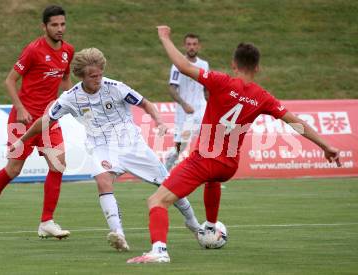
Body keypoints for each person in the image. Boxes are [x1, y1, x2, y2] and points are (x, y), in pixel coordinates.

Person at [126, 25, 341, 264]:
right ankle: (209, 226)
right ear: (258, 68)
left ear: (233, 64)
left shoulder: (220, 81)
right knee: (212, 180)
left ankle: (159, 251)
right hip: (228, 165)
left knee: (156, 201)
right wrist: (325, 145)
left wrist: (164, 38)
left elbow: (184, 66)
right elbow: (296, 123)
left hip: (205, 159)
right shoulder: (263, 97)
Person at [10, 47, 201, 252]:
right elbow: (45, 121)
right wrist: (22, 139)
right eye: (93, 76)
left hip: (131, 144)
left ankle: (194, 223)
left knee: (168, 186)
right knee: (102, 181)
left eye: (100, 74)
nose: (98, 79)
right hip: (101, 147)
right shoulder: (71, 97)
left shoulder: (115, 87)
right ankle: (118, 234)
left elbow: (146, 104)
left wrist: (159, 121)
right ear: (81, 76)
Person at [0, 5, 74, 241]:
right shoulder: (34, 50)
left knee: (58, 165)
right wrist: (21, 108)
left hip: (49, 120)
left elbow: (66, 78)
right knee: (13, 169)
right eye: (54, 25)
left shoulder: (68, 51)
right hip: (23, 120)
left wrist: (67, 101)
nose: (59, 29)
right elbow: (9, 80)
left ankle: (47, 221)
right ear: (44, 26)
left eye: (62, 24)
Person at [165, 33, 209, 171]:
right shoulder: (178, 64)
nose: (192, 47)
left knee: (209, 141)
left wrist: (213, 105)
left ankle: (210, 178)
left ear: (199, 46)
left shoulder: (204, 65)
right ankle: (168, 163)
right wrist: (184, 104)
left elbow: (207, 88)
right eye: (189, 44)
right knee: (181, 146)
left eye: (194, 44)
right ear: (184, 46)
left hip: (202, 109)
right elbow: (172, 88)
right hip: (185, 112)